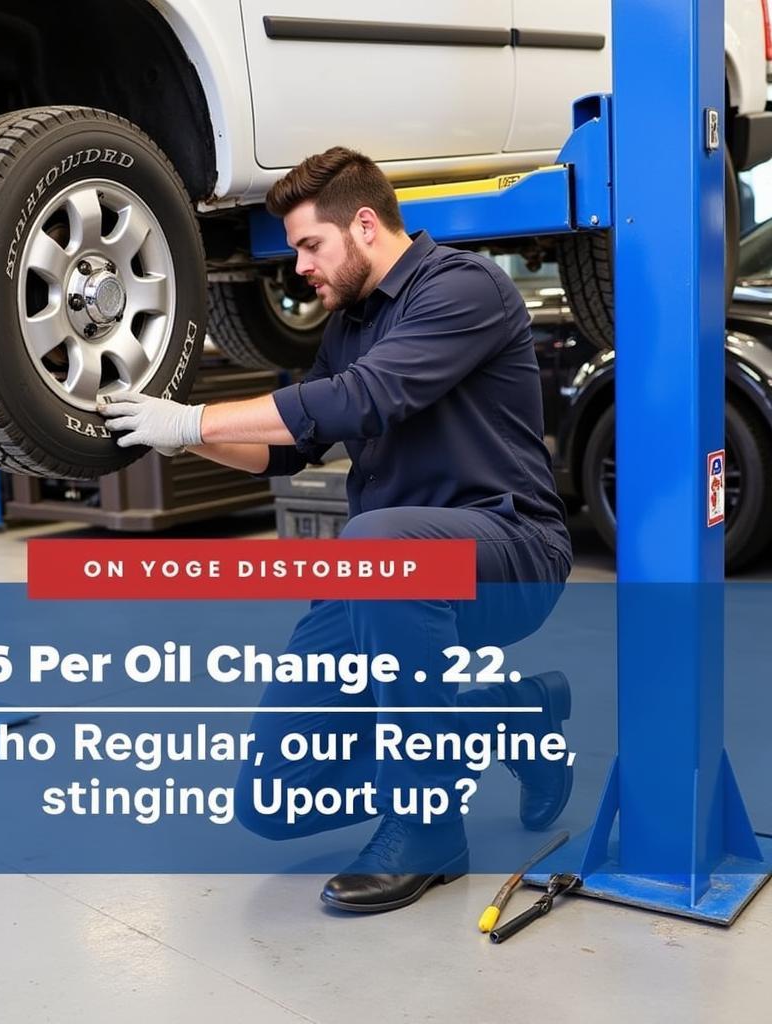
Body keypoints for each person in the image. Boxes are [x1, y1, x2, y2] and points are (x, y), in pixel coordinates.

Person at [100, 147, 574, 913]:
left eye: (308, 244)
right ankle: (502, 718)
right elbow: (284, 452)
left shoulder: (462, 289)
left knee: (379, 543)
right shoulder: (349, 327)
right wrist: (181, 435)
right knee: (273, 799)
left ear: (363, 224)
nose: (299, 268)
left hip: (511, 552)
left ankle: (425, 826)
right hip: (384, 578)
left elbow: (365, 400)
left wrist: (195, 415)